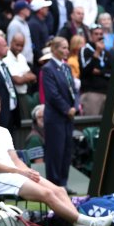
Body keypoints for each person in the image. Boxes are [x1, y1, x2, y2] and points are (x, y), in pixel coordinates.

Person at [0, 92, 114, 226]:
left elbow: (14, 159)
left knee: (60, 190)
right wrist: (19, 171)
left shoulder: (4, 132)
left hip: (15, 174)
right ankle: (90, 222)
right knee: (48, 195)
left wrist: (26, 171)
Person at [42, 36, 78, 188]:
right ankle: (54, 184)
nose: (66, 51)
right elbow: (52, 94)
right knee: (55, 152)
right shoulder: (48, 68)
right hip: (55, 117)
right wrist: (66, 109)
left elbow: (74, 90)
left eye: (67, 47)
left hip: (68, 117)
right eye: (63, 48)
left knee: (66, 150)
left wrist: (75, 105)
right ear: (54, 50)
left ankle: (63, 183)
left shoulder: (67, 67)